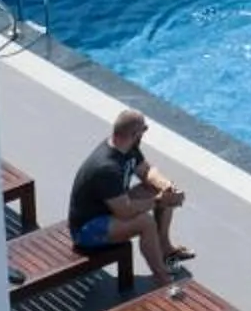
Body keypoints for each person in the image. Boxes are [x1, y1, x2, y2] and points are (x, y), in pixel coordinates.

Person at [67, 108, 192, 288]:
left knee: (160, 188)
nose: (145, 133)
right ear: (135, 134)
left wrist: (166, 187)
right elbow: (124, 211)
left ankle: (165, 249)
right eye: (144, 129)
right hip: (87, 229)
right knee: (145, 223)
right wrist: (160, 201)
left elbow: (147, 171)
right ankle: (162, 278)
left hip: (109, 209)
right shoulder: (106, 167)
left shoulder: (128, 149)